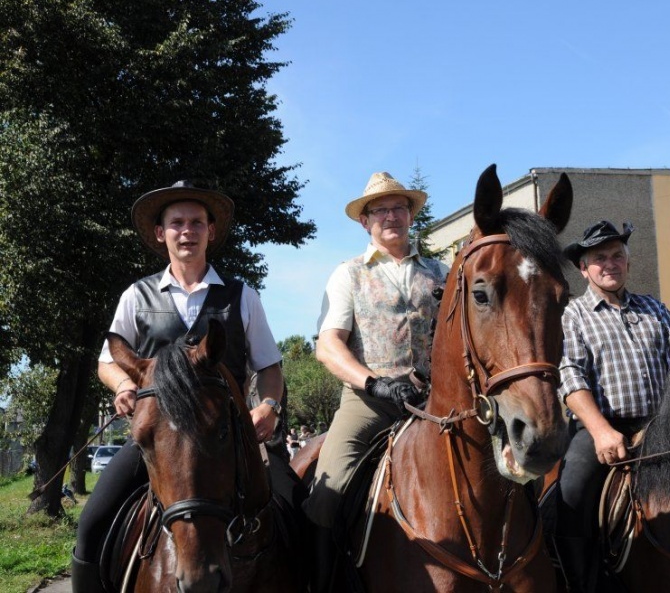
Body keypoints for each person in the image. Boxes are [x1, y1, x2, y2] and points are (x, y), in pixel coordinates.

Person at [72, 181, 303, 592]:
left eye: (197, 222)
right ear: (161, 233)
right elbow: (108, 360)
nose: (187, 230)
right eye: (176, 222)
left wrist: (268, 404)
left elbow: (269, 365)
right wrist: (125, 384)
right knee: (91, 524)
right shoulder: (136, 295)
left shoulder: (241, 295)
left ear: (210, 232)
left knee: (303, 512)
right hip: (161, 440)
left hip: (231, 435)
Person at [302, 172, 448, 582]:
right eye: (379, 210)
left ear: (410, 215)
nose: (390, 216)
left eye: (398, 207)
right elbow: (329, 346)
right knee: (327, 492)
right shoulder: (347, 274)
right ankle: (322, 582)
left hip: (434, 403)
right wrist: (373, 383)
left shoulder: (443, 271)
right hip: (367, 402)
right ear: (365, 222)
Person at [554, 219, 670, 592]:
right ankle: (580, 584)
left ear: (627, 261)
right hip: (601, 429)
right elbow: (570, 375)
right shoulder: (572, 315)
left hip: (661, 427)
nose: (609, 264)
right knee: (571, 496)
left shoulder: (655, 309)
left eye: (616, 256)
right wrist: (600, 430)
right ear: (584, 268)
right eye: (599, 259)